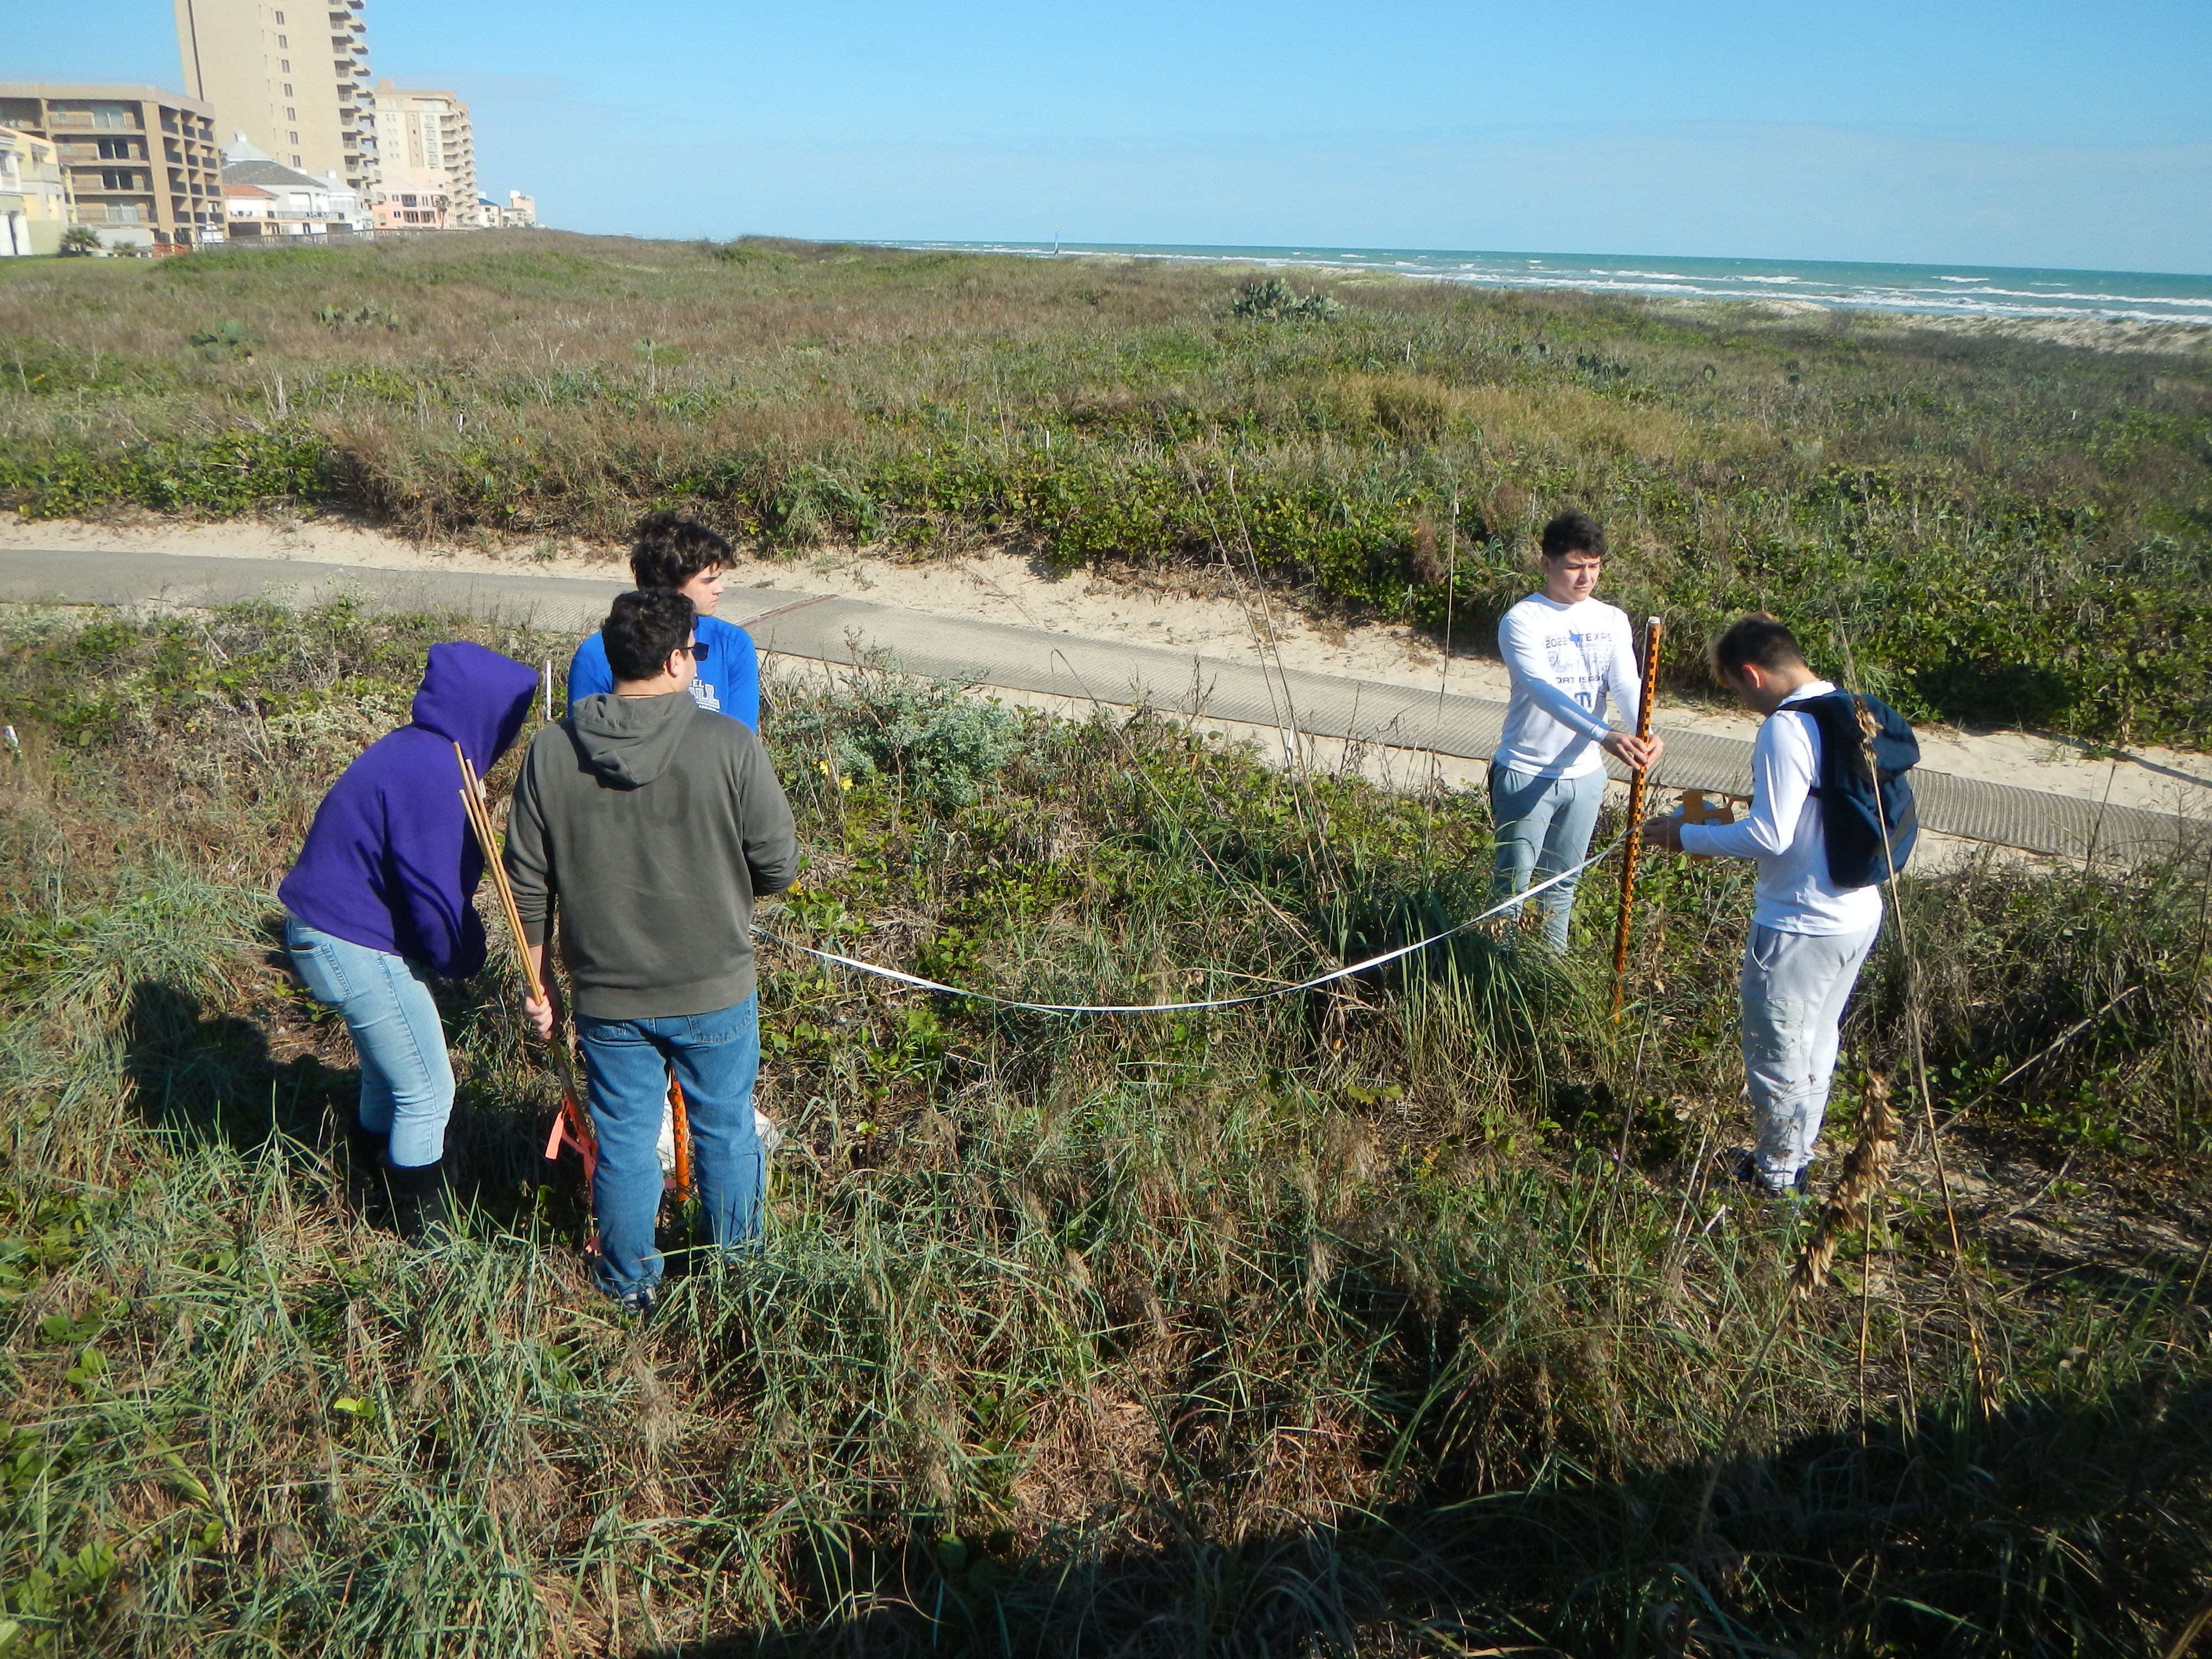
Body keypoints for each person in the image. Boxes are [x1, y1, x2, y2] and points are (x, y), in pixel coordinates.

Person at [507, 589, 800, 1313]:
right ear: (675, 660)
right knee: (725, 1130)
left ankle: (629, 1286)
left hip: (608, 996)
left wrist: (539, 984)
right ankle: (739, 1280)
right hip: (714, 984)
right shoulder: (728, 744)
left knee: (625, 1140)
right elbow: (779, 865)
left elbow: (526, 887)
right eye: (693, 652)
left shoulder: (551, 751)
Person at [279, 641, 540, 1239]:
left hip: (327, 935)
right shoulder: (436, 773)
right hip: (352, 943)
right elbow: (434, 894)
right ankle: (424, 1236)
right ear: (486, 712)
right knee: (428, 1091)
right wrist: (464, 957)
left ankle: (367, 1191)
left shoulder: (412, 749)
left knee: (386, 1078)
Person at [1643, 614, 1885, 1199]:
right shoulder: (1847, 707)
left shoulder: (1785, 727)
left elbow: (1771, 835)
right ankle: (1794, 1156)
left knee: (1777, 1053)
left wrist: (1686, 835)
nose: (1745, 705)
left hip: (1800, 922)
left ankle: (1776, 1181)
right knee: (1816, 1041)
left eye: (1736, 691)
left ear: (1751, 675)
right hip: (1856, 910)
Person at [1489, 509, 1662, 951]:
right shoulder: (1523, 620)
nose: (1586, 578)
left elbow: (1625, 683)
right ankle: (1496, 969)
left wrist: (1643, 729)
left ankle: (1550, 971)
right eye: (1574, 567)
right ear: (1547, 564)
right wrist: (1606, 735)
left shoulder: (1612, 619)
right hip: (1526, 771)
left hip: (1584, 777)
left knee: (1562, 884)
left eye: (1594, 566)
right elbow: (1543, 691)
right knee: (1512, 888)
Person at [567, 512, 760, 728]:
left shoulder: (732, 644)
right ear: (668, 585)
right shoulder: (597, 652)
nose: (719, 589)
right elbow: (585, 734)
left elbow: (741, 738)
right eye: (708, 581)